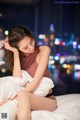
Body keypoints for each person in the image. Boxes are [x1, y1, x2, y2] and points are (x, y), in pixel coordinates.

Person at [2, 25, 57, 120]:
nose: (31, 48)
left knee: (22, 95)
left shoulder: (43, 50)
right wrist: (15, 53)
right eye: (25, 48)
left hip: (46, 100)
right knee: (6, 84)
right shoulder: (18, 55)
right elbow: (17, 80)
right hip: (22, 98)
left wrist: (13, 99)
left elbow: (36, 82)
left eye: (31, 41)